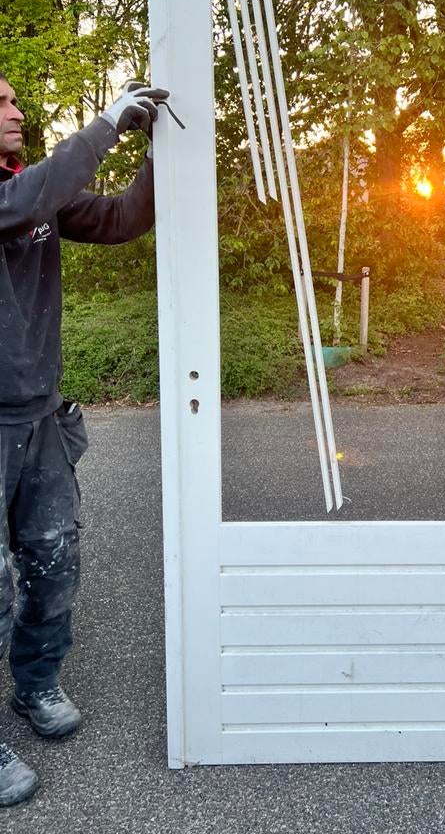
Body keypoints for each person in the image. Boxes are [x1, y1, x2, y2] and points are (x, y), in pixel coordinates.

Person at [0, 73, 170, 807]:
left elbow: (121, 219)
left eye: (13, 99)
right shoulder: (20, 193)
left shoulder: (29, 188)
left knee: (53, 560)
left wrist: (163, 154)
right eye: (2, 101)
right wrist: (106, 124)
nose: (18, 110)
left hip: (39, 416)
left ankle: (36, 685)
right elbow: (27, 200)